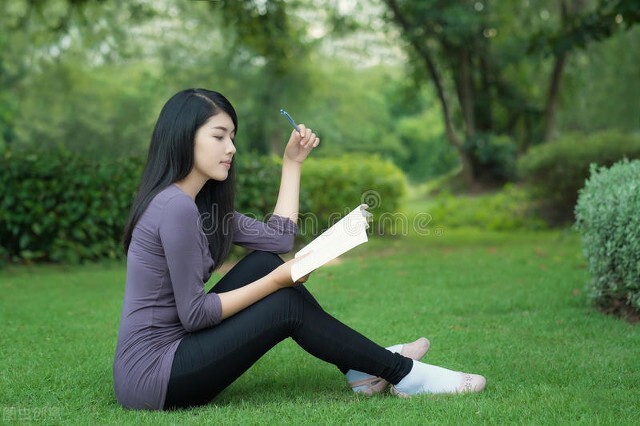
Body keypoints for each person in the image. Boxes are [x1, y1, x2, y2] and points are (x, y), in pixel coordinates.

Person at [113, 88, 486, 410]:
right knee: (283, 298)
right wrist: (278, 281)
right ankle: (403, 374)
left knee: (263, 261)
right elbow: (194, 314)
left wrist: (292, 163)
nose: (232, 148)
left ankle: (362, 370)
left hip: (175, 353)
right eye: (219, 136)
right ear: (184, 138)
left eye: (233, 137)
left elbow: (278, 240)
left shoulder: (199, 206)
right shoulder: (174, 207)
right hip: (154, 376)